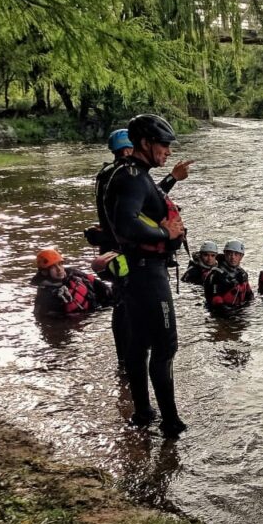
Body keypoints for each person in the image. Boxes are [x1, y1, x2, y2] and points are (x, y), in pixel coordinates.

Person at [98, 113, 189, 439]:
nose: (167, 151)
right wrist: (165, 233)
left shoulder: (125, 173)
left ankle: (142, 412)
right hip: (147, 274)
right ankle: (171, 423)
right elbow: (126, 222)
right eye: (163, 145)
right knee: (165, 348)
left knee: (138, 346)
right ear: (145, 144)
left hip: (133, 272)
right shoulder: (135, 177)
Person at [30, 249, 111, 317]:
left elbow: (100, 286)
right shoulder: (44, 297)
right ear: (45, 272)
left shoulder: (73, 273)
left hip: (101, 309)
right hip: (82, 322)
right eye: (53, 267)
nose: (59, 269)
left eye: (60, 264)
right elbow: (47, 321)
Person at [204, 240, 254, 313]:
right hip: (220, 313)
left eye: (236, 254)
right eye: (230, 254)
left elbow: (249, 295)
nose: (232, 257)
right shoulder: (216, 274)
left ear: (241, 256)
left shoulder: (242, 273)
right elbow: (216, 300)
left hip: (239, 311)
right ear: (225, 254)